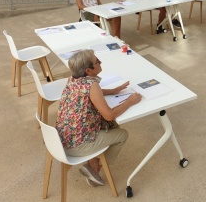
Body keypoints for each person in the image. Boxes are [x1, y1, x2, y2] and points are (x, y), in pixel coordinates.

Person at [56, 49, 142, 186]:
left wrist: (113, 91)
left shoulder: (73, 79)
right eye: (97, 62)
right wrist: (129, 101)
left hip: (61, 139)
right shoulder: (92, 85)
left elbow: (91, 93)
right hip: (76, 145)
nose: (100, 62)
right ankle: (95, 168)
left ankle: (93, 162)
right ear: (88, 70)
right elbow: (109, 115)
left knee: (113, 126)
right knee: (122, 134)